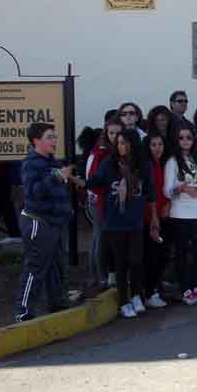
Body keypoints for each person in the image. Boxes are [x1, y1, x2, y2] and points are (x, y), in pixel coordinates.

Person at [14, 123, 85, 322]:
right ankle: (23, 311)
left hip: (54, 224)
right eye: (49, 137)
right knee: (35, 267)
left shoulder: (52, 162)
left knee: (56, 266)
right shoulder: (31, 163)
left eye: (54, 136)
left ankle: (58, 302)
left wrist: (70, 179)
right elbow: (33, 192)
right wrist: (56, 177)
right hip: (39, 223)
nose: (54, 140)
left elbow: (59, 182)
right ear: (36, 141)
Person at [87, 130, 153, 319]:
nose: (122, 147)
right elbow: (94, 182)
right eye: (119, 143)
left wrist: (153, 215)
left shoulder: (142, 165)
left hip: (135, 221)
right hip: (115, 222)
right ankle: (124, 301)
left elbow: (149, 192)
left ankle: (137, 296)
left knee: (137, 260)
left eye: (125, 143)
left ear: (133, 144)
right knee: (121, 263)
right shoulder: (109, 163)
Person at [163, 125, 197, 306]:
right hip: (180, 213)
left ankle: (195, 286)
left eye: (188, 137)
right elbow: (167, 190)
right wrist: (182, 188)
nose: (185, 141)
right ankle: (184, 288)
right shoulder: (173, 161)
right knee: (182, 253)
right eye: (181, 138)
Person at [85, 116, 122, 291]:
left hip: (115, 203)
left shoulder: (120, 152)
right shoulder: (100, 153)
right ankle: (98, 277)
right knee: (99, 239)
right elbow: (92, 180)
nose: (114, 136)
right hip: (101, 202)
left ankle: (105, 276)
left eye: (117, 133)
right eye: (111, 133)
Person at [142, 133, 170, 309]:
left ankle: (153, 289)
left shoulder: (162, 164)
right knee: (151, 257)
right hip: (148, 217)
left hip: (162, 215)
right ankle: (149, 292)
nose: (157, 148)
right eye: (153, 144)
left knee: (161, 255)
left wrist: (167, 204)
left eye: (160, 144)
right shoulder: (147, 166)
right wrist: (153, 218)